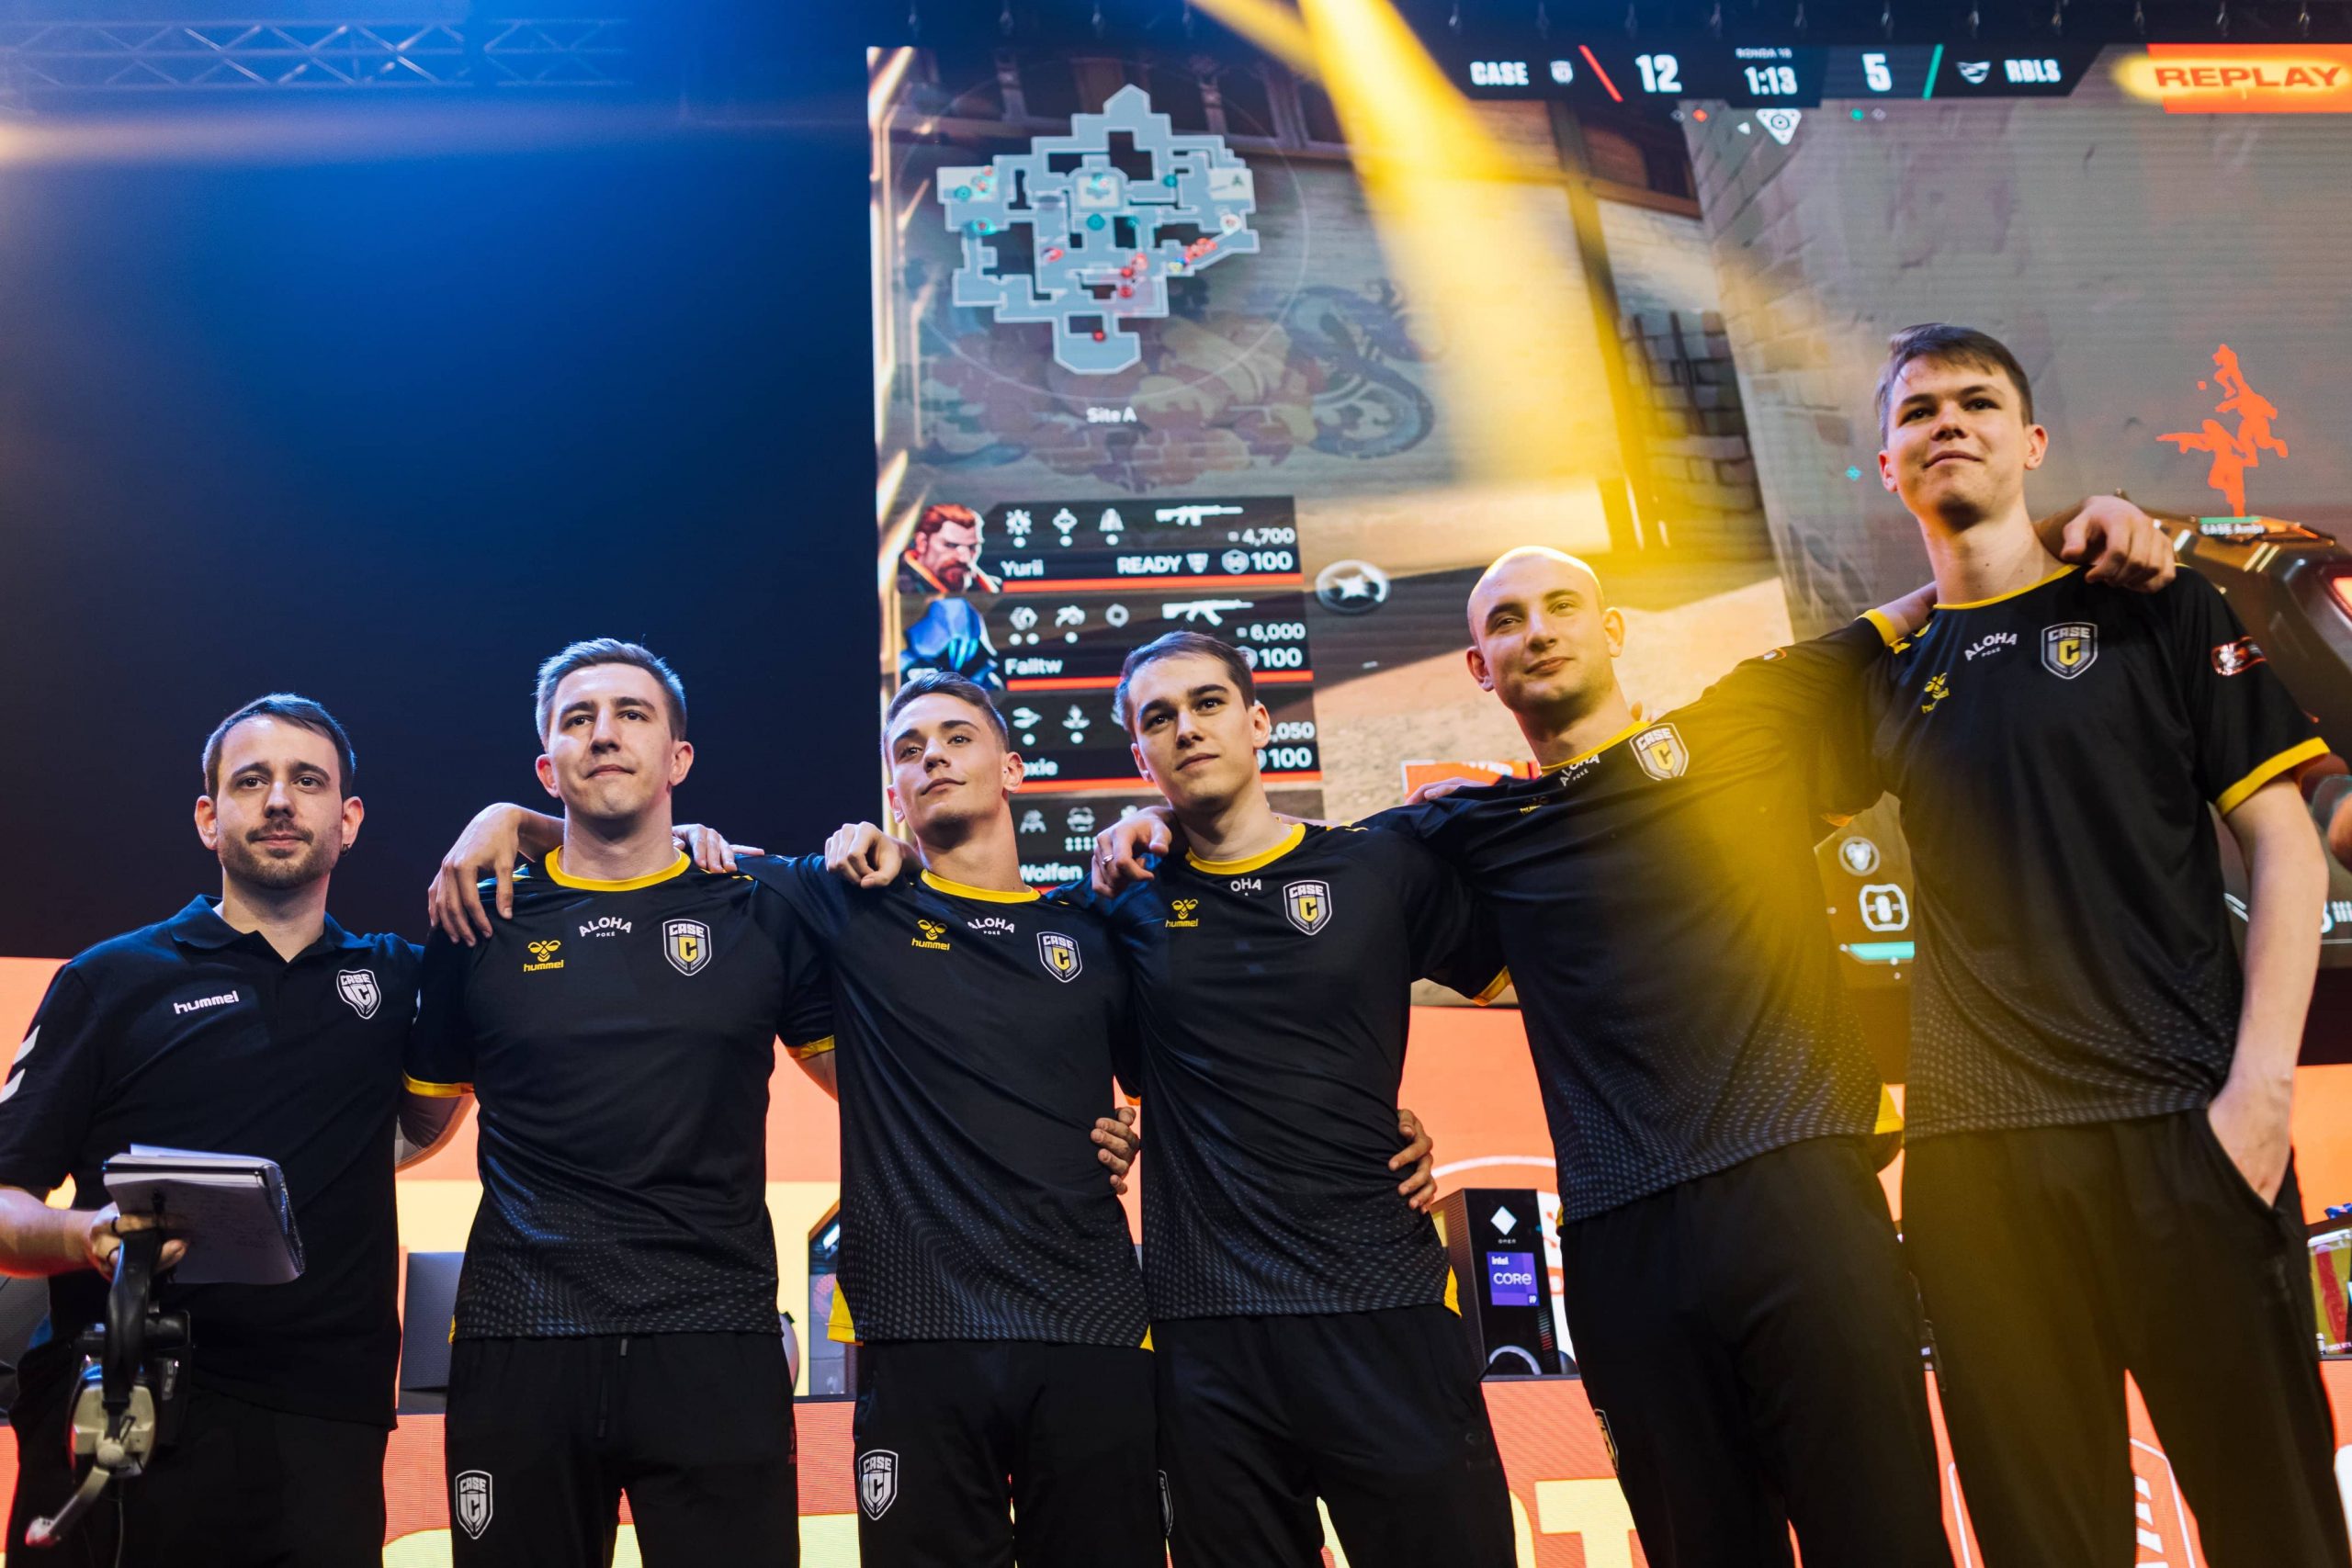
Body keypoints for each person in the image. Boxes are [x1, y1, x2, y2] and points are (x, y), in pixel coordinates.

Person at [1096, 503, 2177, 1568]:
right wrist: (1149, 827)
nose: (1537, 632)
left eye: (1560, 606)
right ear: (1479, 669)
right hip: (1620, 1237)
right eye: (1507, 621)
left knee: (1881, 1535)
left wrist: (2081, 525)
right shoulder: (1465, 830)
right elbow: (1286, 908)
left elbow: (1938, 597)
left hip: (1799, 1191)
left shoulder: (1743, 722)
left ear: (1612, 628)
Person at [830, 633, 1515, 1568]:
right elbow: (1011, 1011)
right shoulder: (1115, 911)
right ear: (1139, 755)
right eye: (1160, 718)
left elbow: (1537, 968)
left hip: (1383, 1302)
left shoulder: (1378, 870)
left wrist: (1383, 1115)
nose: (1187, 728)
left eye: (1207, 703)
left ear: (1259, 721)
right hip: (1205, 1336)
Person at [1840, 323, 2346, 1567]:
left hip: (2186, 1129)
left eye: (1977, 402)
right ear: (1888, 464)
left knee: (2278, 1528)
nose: (1947, 423)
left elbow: (2286, 848)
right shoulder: (1878, 675)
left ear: (2031, 443)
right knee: (2046, 1543)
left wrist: (2260, 1094)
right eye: (1917, 412)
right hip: (1978, 1173)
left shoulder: (2155, 605)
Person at [0, 694, 464, 1568]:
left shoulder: (398, 981)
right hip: (129, 1407)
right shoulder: (108, 981)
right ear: (209, 818)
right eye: (251, 781)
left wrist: (509, 821)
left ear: (348, 820)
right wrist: (85, 1234)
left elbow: (423, 1117)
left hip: (325, 1425)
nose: (280, 799)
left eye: (307, 780)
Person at [406, 639, 837, 1568]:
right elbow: (415, 1127)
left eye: (631, 714)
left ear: (678, 758)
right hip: (521, 1338)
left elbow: (877, 1081)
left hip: (714, 1334)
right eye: (578, 719)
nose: (604, 734)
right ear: (545, 767)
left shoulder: (758, 906)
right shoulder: (477, 918)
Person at [745, 670, 1158, 1568]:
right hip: (918, 1330)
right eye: (908, 748)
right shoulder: (849, 904)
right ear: (893, 792)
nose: (931, 755)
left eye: (956, 737)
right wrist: (516, 822)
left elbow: (1190, 1067)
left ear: (1012, 767)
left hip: (1090, 1327)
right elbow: (663, 852)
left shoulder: (1097, 929)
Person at [898, 502, 1001, 595]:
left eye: (972, 547)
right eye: (951, 545)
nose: (964, 558)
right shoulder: (895, 587)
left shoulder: (992, 588)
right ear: (922, 542)